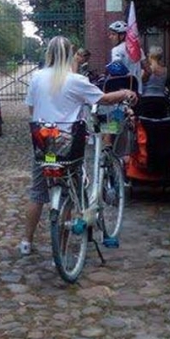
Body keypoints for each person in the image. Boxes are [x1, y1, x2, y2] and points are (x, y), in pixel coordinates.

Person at [20, 36, 138, 256]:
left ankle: (26, 242)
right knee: (68, 194)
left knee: (37, 194)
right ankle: (62, 249)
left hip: (44, 145)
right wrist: (124, 93)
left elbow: (31, 110)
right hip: (67, 146)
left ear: (49, 54)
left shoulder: (36, 78)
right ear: (69, 56)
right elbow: (104, 99)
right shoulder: (76, 80)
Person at [138, 46, 168, 118]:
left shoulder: (145, 71)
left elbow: (140, 84)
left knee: (146, 122)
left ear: (150, 56)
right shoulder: (165, 70)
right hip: (161, 99)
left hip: (147, 99)